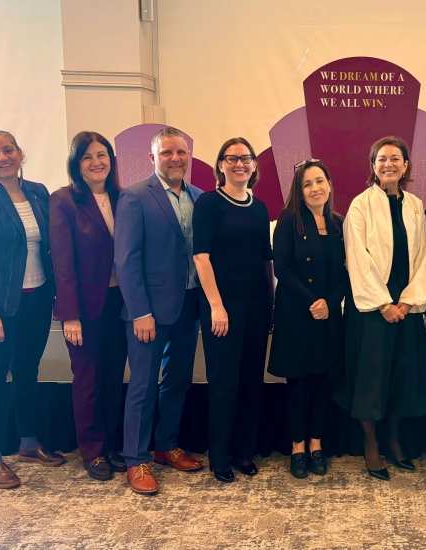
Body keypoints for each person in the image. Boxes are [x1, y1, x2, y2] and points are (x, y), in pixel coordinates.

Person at [0, 130, 64, 489]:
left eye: (8, 150)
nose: (2, 157)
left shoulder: (38, 192)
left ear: (20, 152)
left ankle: (29, 444)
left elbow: (47, 249)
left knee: (27, 373)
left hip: (34, 300)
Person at [338, 135, 426, 481]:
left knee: (402, 377)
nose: (388, 164)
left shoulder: (415, 206)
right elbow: (356, 259)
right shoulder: (360, 206)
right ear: (373, 166)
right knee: (372, 379)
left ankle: (394, 440)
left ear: (406, 165)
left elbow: (423, 256)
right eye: (381, 159)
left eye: (395, 158)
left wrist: (407, 301)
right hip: (372, 310)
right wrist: (383, 304)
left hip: (406, 306)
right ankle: (371, 444)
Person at [114, 126, 203, 494]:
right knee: (143, 385)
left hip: (190, 305)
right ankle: (136, 460)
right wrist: (139, 312)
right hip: (149, 313)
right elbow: (127, 260)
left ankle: (166, 446)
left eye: (180, 152)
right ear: (153, 158)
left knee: (178, 381)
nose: (175, 158)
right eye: (167, 153)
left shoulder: (199, 196)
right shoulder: (135, 197)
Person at [193, 137, 274, 484]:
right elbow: (201, 257)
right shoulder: (209, 204)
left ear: (254, 165)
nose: (239, 164)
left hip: (257, 306)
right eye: (232, 158)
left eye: (246, 158)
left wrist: (271, 305)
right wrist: (216, 306)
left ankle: (244, 452)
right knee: (224, 383)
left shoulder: (260, 207)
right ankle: (220, 456)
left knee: (251, 382)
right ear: (221, 165)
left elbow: (266, 261)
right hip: (222, 308)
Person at [50, 131, 128, 481]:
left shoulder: (123, 198)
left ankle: (111, 445)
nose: (97, 162)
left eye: (102, 154)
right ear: (76, 163)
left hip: (121, 304)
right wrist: (70, 315)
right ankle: (92, 451)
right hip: (84, 307)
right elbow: (62, 263)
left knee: (113, 377)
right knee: (88, 379)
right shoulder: (64, 201)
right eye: (88, 156)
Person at [267, 159, 349, 479]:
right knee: (297, 384)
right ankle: (297, 447)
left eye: (319, 181)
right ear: (299, 191)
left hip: (328, 316)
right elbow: (282, 269)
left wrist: (330, 302)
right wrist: (312, 301)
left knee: (321, 383)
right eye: (307, 184)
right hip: (296, 315)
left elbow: (346, 272)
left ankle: (316, 444)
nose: (315, 188)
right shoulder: (288, 221)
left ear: (329, 184)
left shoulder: (340, 223)